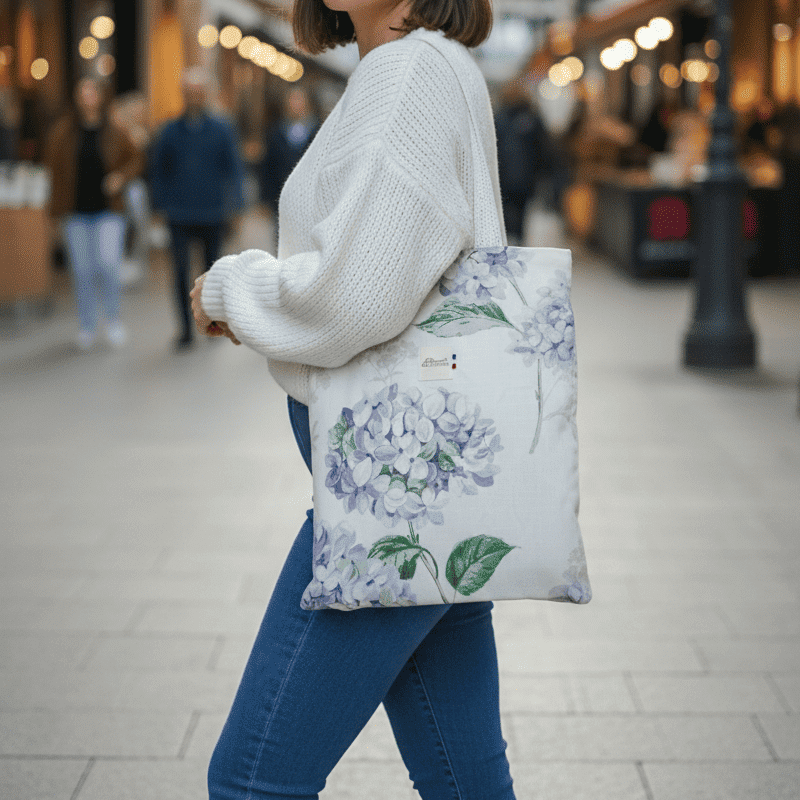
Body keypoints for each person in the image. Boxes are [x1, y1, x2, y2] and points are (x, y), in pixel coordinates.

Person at [189, 2, 516, 798]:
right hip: (434, 482)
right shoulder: (427, 66)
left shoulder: (407, 75)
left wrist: (236, 288)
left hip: (393, 495)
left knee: (251, 779)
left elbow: (355, 300)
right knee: (463, 779)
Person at [149, 68, 245, 349]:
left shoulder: (222, 128)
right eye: (189, 93)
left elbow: (234, 168)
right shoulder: (169, 131)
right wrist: (158, 207)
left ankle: (212, 324)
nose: (194, 97)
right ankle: (185, 329)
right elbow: (159, 170)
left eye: (199, 93)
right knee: (179, 272)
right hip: (179, 213)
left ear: (206, 95)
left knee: (211, 273)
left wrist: (236, 205)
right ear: (184, 95)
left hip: (212, 212)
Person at [44, 78, 143, 350]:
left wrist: (120, 177)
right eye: (82, 93)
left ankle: (112, 320)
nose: (87, 98)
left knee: (109, 265)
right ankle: (87, 324)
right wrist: (54, 212)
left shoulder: (114, 131)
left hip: (108, 210)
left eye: (92, 92)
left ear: (101, 97)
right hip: (75, 212)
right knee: (82, 270)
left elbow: (135, 159)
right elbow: (53, 171)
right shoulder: (63, 133)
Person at [260, 87, 320, 251]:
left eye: (298, 100)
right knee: (283, 242)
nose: (295, 105)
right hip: (281, 196)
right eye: (292, 100)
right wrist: (266, 198)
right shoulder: (276, 132)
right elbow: (268, 167)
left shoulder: (318, 131)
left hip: (309, 198)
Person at [494, 81, 549, 245]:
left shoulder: (498, 118)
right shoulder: (532, 117)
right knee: (521, 214)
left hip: (502, 176)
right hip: (526, 177)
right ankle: (518, 243)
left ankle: (506, 244)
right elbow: (543, 148)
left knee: (503, 213)